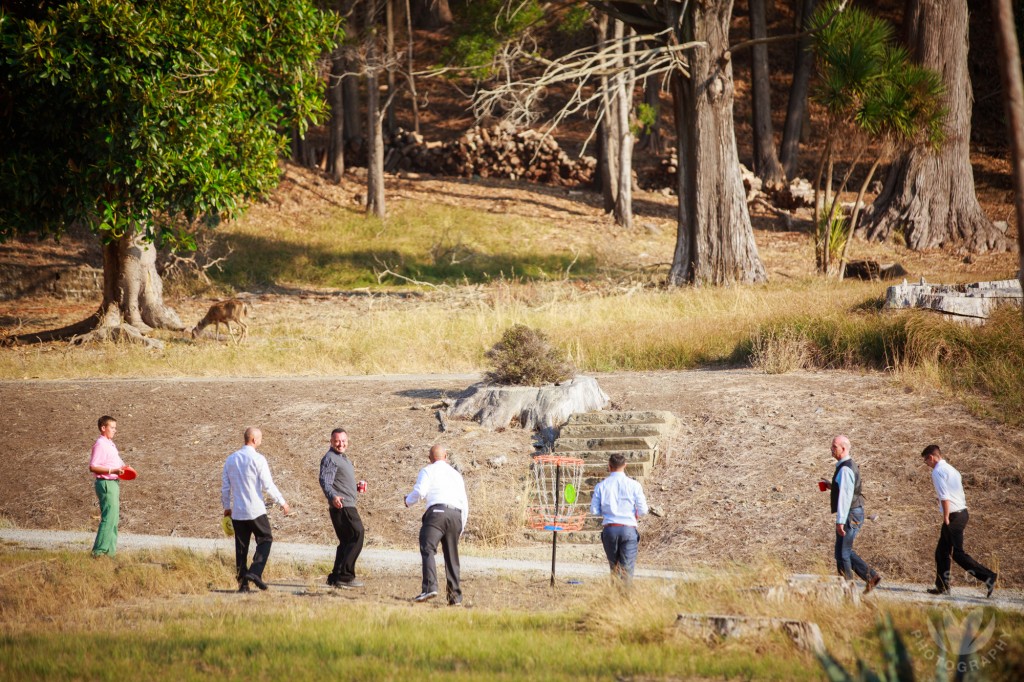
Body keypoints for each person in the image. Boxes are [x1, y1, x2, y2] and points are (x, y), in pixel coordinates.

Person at [921, 444, 997, 597]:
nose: (926, 465)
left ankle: (988, 576)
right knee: (941, 551)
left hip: (954, 515)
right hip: (962, 513)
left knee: (957, 553)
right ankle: (942, 586)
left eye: (926, 461)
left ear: (931, 457)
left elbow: (944, 496)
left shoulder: (938, 472)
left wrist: (946, 517)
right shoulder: (951, 469)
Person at [221, 427, 290, 593]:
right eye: (260, 438)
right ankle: (255, 572)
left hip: (238, 511)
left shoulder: (231, 459)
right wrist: (282, 502)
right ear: (253, 440)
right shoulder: (259, 459)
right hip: (256, 509)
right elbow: (268, 484)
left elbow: (225, 487)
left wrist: (226, 507)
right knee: (265, 538)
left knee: (241, 547)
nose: (261, 441)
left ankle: (242, 585)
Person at [404, 445, 468, 605]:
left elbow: (420, 491)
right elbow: (464, 502)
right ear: (446, 456)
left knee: (428, 548)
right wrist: (461, 526)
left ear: (429, 458)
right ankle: (455, 597)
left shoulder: (428, 470)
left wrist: (407, 501)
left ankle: (429, 587)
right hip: (456, 515)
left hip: (437, 513)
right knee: (452, 556)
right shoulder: (456, 475)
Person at [821, 435, 881, 594]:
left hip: (850, 514)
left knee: (843, 552)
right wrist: (832, 486)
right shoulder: (845, 466)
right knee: (841, 551)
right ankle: (867, 578)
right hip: (852, 512)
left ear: (843, 448)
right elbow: (846, 490)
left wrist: (840, 521)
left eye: (834, 446)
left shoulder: (846, 468)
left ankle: (849, 589)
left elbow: (846, 497)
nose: (831, 449)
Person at [590, 452, 648, 582]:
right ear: (625, 465)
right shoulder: (634, 485)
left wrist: (606, 512)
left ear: (609, 466)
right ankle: (624, 599)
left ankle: (614, 597)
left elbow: (594, 510)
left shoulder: (601, 486)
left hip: (610, 529)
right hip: (628, 529)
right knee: (626, 569)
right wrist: (635, 514)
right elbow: (643, 509)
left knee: (614, 568)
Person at [318, 428, 365, 588]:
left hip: (346, 503)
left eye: (343, 441)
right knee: (357, 534)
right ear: (331, 441)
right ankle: (346, 576)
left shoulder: (343, 458)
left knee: (346, 541)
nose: (341, 444)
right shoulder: (331, 458)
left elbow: (338, 480)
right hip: (343, 505)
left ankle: (335, 577)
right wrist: (333, 496)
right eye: (337, 441)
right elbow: (325, 481)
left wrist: (355, 486)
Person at [88, 415, 128, 557]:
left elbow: (116, 462)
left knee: (114, 518)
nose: (114, 430)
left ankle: (110, 553)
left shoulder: (110, 444)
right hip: (106, 483)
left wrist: (125, 468)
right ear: (103, 428)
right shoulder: (100, 444)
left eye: (115, 428)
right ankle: (98, 552)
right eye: (112, 427)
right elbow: (93, 466)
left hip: (114, 482)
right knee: (108, 518)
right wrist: (113, 471)